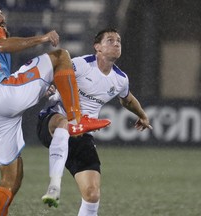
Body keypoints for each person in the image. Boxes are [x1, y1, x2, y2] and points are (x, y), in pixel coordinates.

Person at [0, 3, 110, 216]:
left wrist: (41, 86)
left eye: (1, 12)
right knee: (60, 56)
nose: (1, 16)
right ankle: (76, 119)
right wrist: (41, 38)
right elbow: (3, 45)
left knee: (11, 178)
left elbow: (2, 67)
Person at [37, 28, 153, 215]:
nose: (116, 43)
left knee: (92, 194)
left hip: (82, 134)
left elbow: (127, 99)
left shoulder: (120, 79)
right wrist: (47, 86)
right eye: (110, 40)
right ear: (97, 47)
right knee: (65, 124)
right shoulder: (81, 64)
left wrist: (143, 115)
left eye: (119, 41)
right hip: (53, 120)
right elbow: (54, 73)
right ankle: (54, 186)